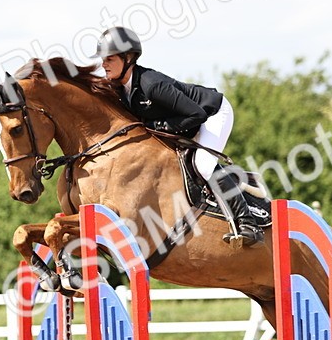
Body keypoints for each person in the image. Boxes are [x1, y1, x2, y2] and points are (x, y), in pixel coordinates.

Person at [96, 26, 263, 247]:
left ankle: (247, 223)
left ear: (128, 58)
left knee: (202, 164)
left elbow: (197, 115)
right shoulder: (121, 89)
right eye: (102, 59)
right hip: (185, 121)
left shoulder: (152, 85)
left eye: (109, 58)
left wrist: (156, 125)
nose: (103, 64)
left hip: (213, 113)